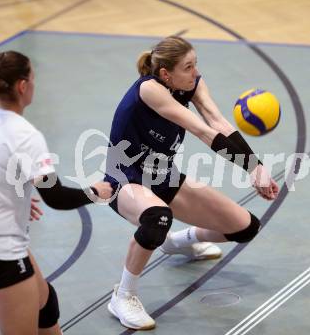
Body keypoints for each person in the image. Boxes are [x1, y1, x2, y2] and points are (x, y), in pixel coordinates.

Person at [104, 36, 279, 330]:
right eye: (188, 67)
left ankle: (178, 243)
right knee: (157, 218)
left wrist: (256, 166)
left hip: (163, 177)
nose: (196, 72)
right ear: (165, 74)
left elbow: (217, 122)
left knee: (245, 227)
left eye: (196, 64)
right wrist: (250, 167)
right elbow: (202, 131)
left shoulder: (191, 84)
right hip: (125, 181)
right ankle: (123, 296)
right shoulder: (150, 90)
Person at [0, 51, 112, 335]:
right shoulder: (25, 136)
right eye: (33, 79)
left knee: (44, 302)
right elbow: (56, 197)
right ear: (23, 86)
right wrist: (95, 192)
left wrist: (3, 192)